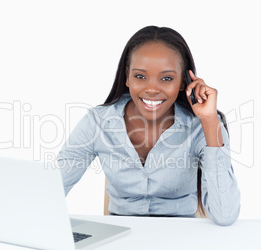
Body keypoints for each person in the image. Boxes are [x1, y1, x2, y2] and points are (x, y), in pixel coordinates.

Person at [56, 25, 240, 226]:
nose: (151, 89)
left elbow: (225, 214)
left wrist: (209, 120)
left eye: (167, 78)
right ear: (127, 76)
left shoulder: (200, 126)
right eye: (140, 76)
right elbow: (51, 190)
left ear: (182, 82)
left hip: (183, 239)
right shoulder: (98, 122)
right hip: (118, 238)